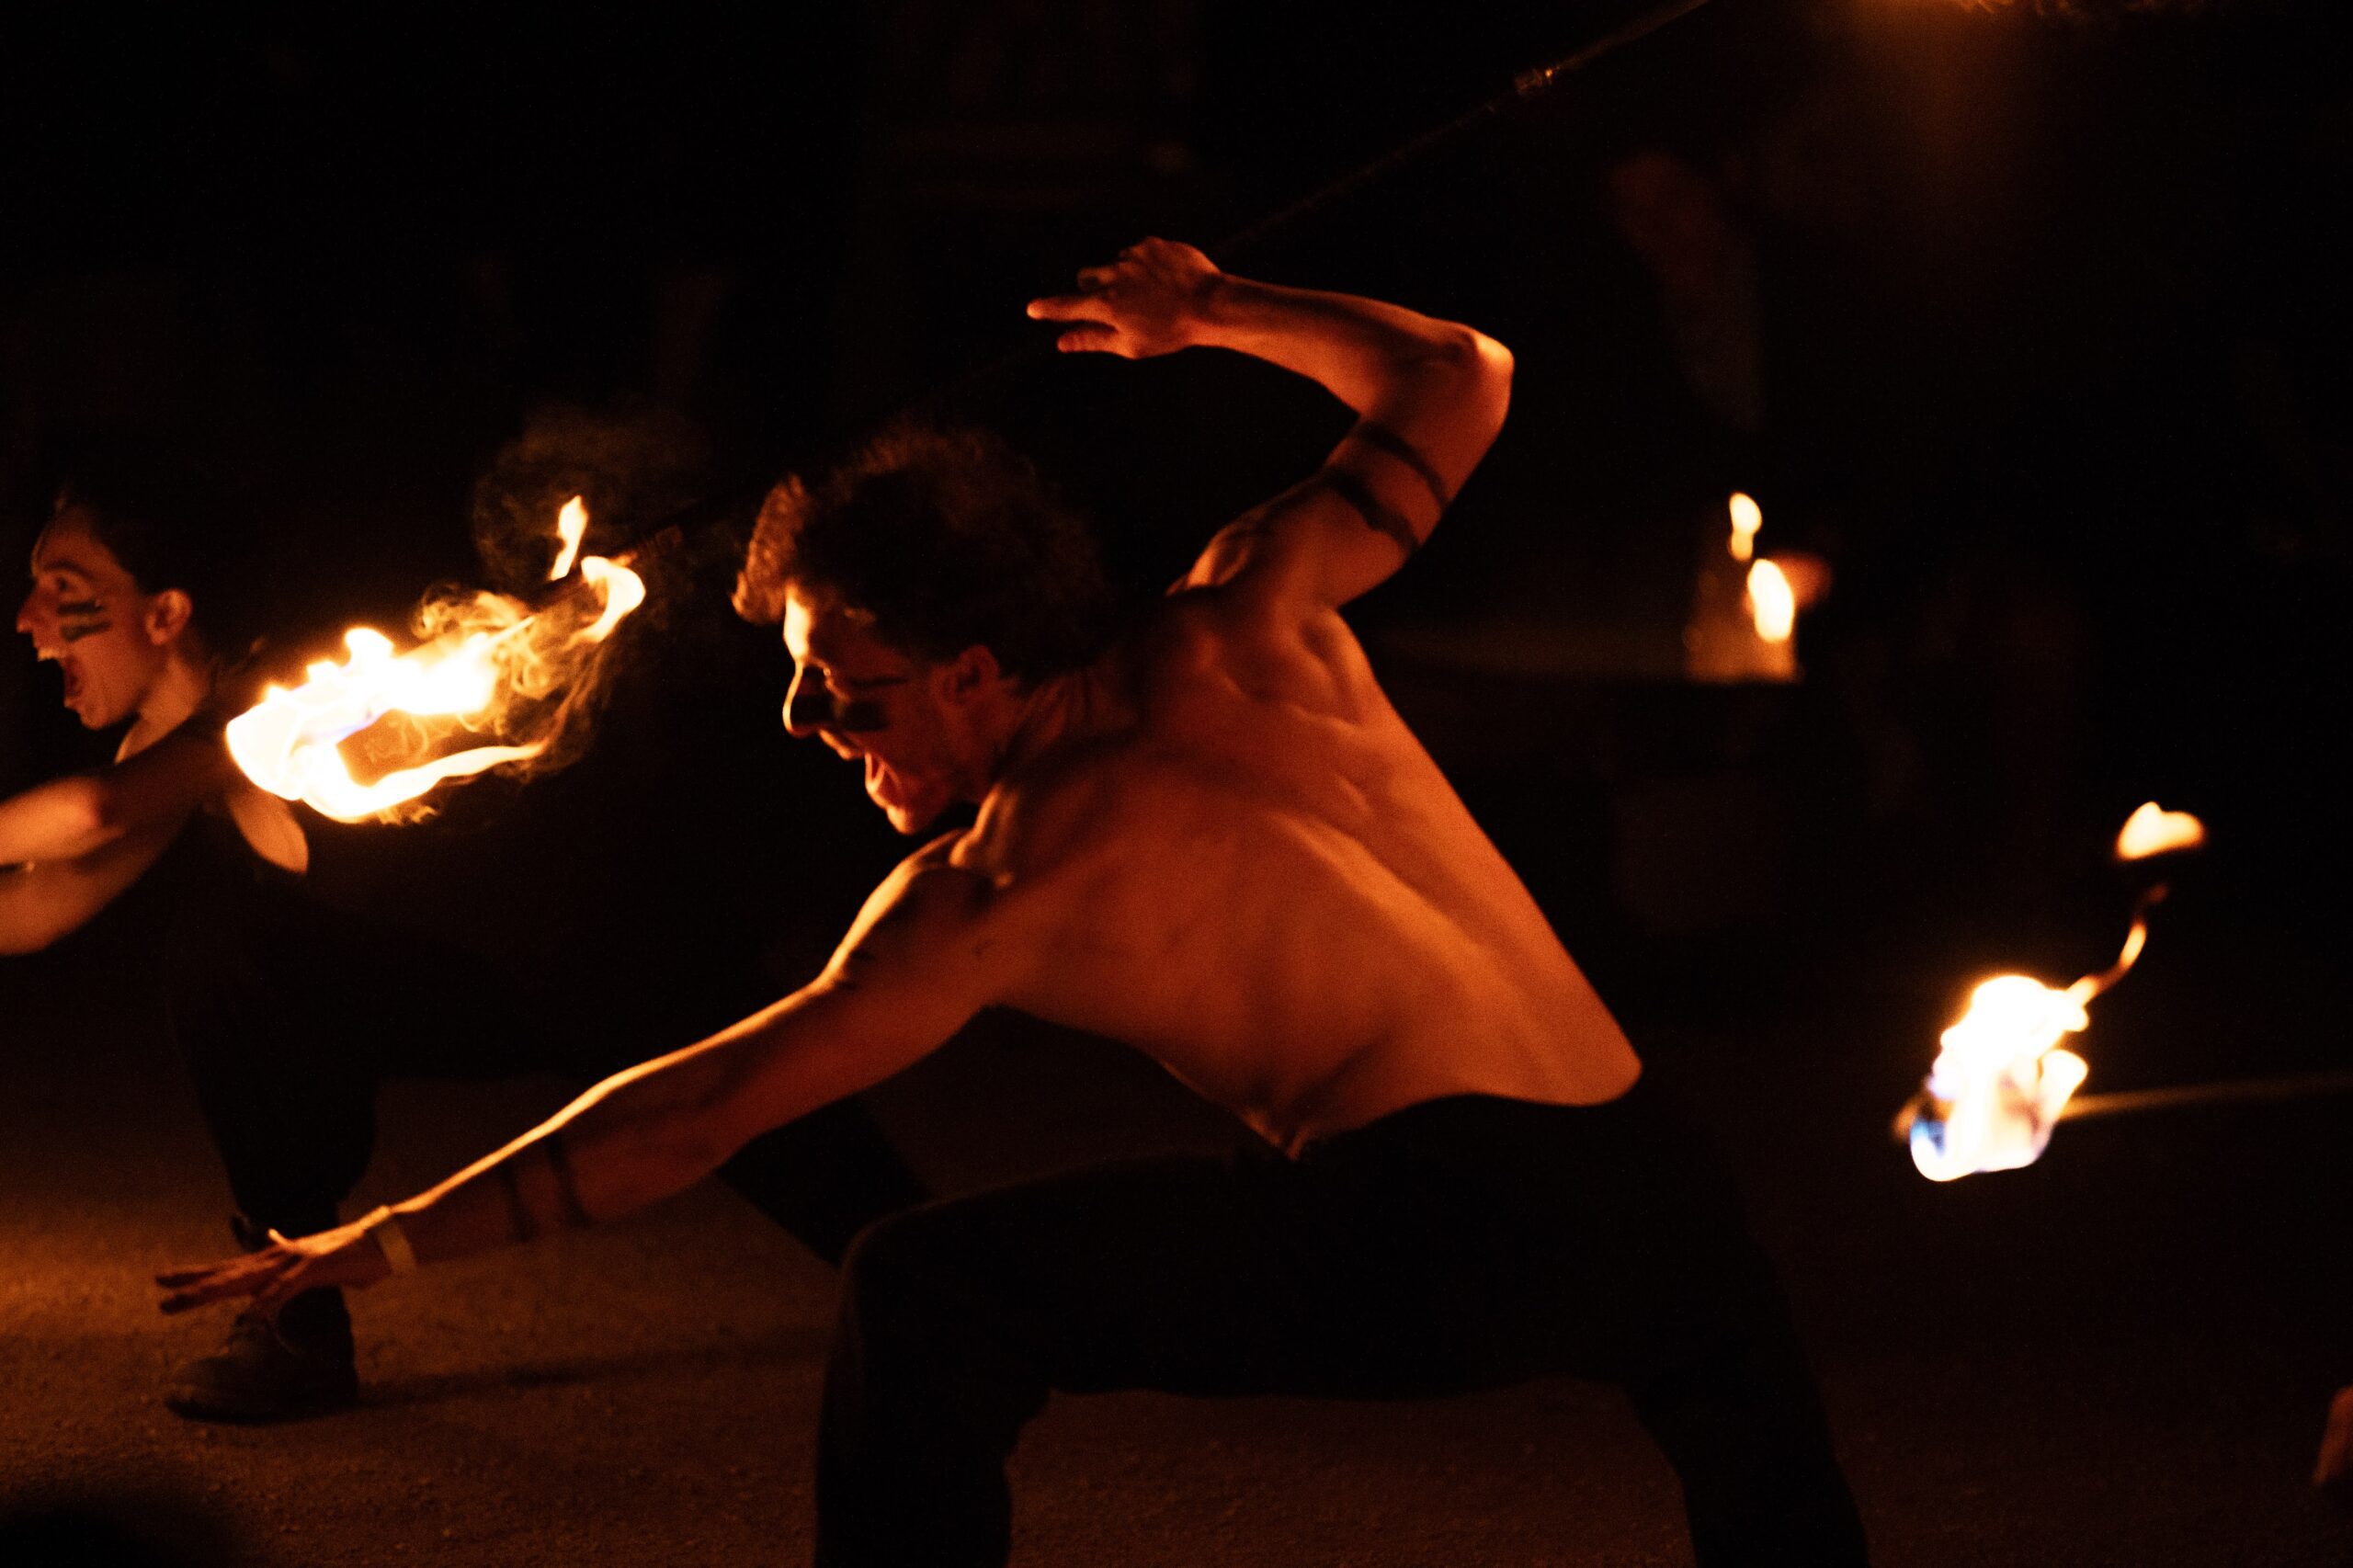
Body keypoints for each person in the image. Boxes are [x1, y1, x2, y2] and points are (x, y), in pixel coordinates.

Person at [158, 239, 1870, 1563]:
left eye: (850, 685)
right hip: (1651, 1167)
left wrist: (376, 1241)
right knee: (1741, 1413)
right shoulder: (1251, 619)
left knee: (924, 1289)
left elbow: (702, 1107)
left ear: (979, 668)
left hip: (1441, 1229)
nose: (809, 725)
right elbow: (1460, 374)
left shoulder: (1005, 879)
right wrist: (1213, 309)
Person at [4, 455, 925, 1420]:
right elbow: (35, 907)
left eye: (62, 592)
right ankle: (297, 1319)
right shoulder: (160, 758)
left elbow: (95, 811)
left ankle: (957, 1287)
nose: (25, 618)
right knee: (221, 955)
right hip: (453, 989)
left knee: (820, 1166)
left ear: (166, 613)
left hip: (610, 959)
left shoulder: (287, 689)